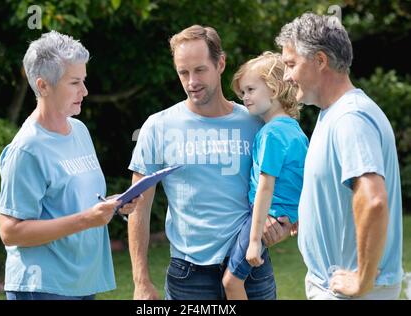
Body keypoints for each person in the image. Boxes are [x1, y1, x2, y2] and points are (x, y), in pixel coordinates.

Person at [128, 25, 292, 300]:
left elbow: (287, 182)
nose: (192, 81)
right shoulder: (158, 127)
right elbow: (138, 208)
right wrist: (141, 281)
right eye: (183, 72)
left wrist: (284, 226)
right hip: (188, 276)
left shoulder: (256, 123)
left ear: (221, 63)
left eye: (200, 69)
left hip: (250, 268)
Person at [0, 31, 138, 300]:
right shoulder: (27, 149)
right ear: (43, 86)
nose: (84, 91)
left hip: (82, 281)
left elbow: (73, 203)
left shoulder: (79, 130)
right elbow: (10, 231)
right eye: (74, 82)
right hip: (43, 288)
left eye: (83, 81)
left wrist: (113, 204)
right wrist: (87, 219)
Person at [275, 13, 403, 299]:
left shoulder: (350, 118)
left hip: (351, 293)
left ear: (320, 61)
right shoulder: (332, 114)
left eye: (291, 64)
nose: (286, 76)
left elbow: (373, 201)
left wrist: (362, 280)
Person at [222, 52, 308, 299]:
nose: (245, 98)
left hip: (265, 218)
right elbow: (300, 178)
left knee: (231, 282)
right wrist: (295, 216)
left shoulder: (271, 134)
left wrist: (253, 239)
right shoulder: (294, 129)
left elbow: (265, 188)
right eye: (242, 93)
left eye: (250, 89)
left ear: (274, 89)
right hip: (282, 216)